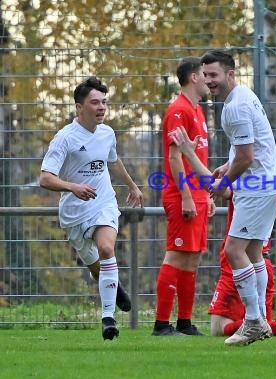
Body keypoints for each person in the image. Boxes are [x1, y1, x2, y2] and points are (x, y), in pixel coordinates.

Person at [170, 129, 276, 337]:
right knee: (260, 324)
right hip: (264, 265)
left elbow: (214, 185)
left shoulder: (247, 185)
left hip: (237, 261)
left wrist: (189, 153)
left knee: (220, 328)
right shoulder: (274, 187)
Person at [39, 76, 143, 341]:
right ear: (79, 106)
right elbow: (45, 178)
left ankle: (108, 318)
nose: (101, 107)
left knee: (107, 248)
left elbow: (113, 161)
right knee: (96, 264)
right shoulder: (65, 138)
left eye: (104, 102)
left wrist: (132, 186)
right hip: (74, 211)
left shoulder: (107, 133)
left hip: (103, 201)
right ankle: (114, 287)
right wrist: (72, 187)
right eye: (95, 102)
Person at [200, 49, 276, 346]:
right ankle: (259, 317)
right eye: (205, 75)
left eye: (214, 75)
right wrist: (227, 164)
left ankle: (252, 321)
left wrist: (224, 182)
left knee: (234, 250)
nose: (209, 81)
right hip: (269, 183)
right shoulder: (244, 96)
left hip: (256, 188)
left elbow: (247, 157)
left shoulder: (233, 108)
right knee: (252, 252)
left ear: (230, 73)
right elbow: (247, 147)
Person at [152, 57, 215, 337]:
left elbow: (196, 157)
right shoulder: (178, 110)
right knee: (175, 256)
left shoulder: (198, 110)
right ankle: (161, 324)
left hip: (198, 194)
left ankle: (185, 323)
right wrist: (187, 196)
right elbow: (175, 158)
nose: (208, 80)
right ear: (193, 77)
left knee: (193, 259)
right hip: (181, 195)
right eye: (204, 74)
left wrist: (206, 194)